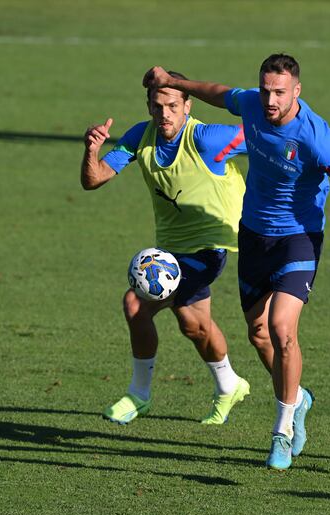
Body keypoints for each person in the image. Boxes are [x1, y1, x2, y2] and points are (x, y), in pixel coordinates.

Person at [143, 54, 330, 470]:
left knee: (281, 328)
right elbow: (218, 94)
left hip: (298, 240)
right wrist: (175, 82)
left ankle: (282, 431)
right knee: (258, 334)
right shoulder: (252, 104)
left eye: (280, 93)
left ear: (297, 92)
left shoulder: (317, 138)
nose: (270, 100)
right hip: (252, 235)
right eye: (266, 90)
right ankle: (298, 397)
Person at [81, 71, 251, 427]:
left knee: (135, 304)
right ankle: (229, 384)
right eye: (158, 107)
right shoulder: (139, 137)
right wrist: (92, 150)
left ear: (187, 105)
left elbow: (269, 136)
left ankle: (138, 395)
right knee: (194, 324)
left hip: (212, 244)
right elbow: (94, 179)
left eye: (173, 106)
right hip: (172, 250)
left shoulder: (207, 138)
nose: (165, 115)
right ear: (148, 106)